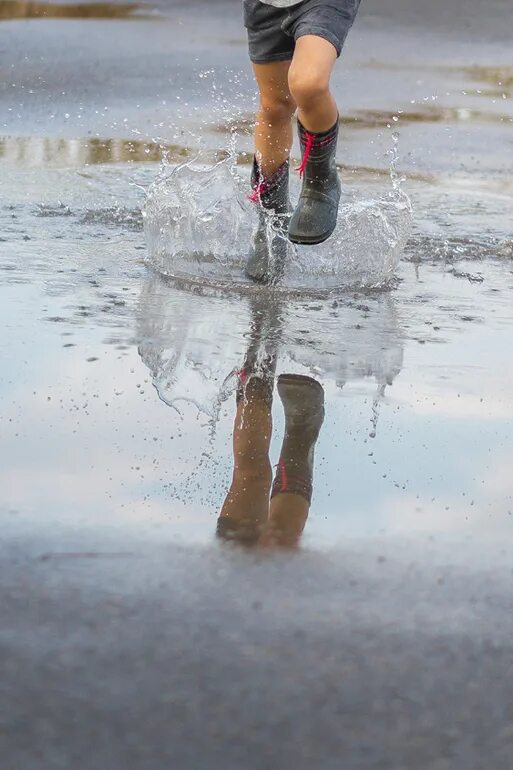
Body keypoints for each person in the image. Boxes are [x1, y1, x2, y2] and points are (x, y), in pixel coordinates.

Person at [243, 0, 361, 281]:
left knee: (307, 84)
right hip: (266, 4)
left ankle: (320, 182)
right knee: (275, 107)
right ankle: (271, 219)